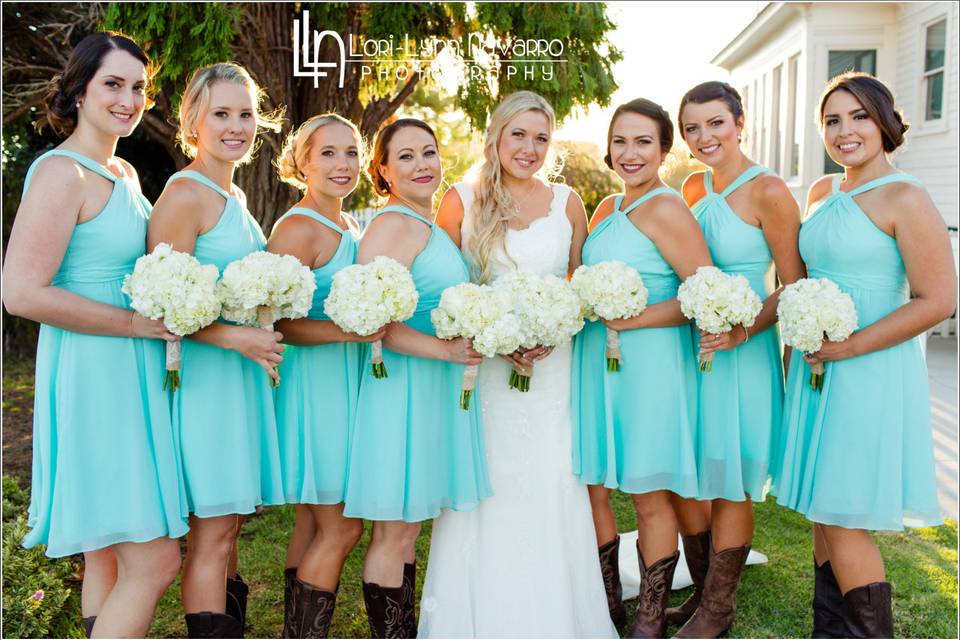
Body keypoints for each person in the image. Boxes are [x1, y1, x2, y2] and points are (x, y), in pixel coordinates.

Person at [2, 32, 187, 638]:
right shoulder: (61, 174)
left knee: (107, 552)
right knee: (155, 560)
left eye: (138, 87)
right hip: (95, 372)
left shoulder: (124, 171)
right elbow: (21, 291)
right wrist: (134, 322)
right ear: (79, 90)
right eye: (113, 83)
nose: (129, 99)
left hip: (131, 369)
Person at [418, 91, 616, 639]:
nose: (529, 148)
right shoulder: (460, 199)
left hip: (555, 370)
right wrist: (496, 338)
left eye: (541, 137)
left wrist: (557, 327)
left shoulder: (567, 202)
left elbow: (579, 284)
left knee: (553, 478)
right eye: (518, 135)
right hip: (485, 369)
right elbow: (449, 290)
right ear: (496, 136)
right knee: (489, 484)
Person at [773, 71, 956, 638]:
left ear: (884, 122)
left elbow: (939, 299)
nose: (844, 130)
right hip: (816, 368)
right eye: (832, 120)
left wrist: (848, 346)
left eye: (857, 117)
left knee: (845, 511)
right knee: (824, 510)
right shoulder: (823, 193)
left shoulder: (907, 196)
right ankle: (829, 631)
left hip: (869, 367)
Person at [147, 62, 285, 638]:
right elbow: (159, 307)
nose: (236, 126)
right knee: (212, 533)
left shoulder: (233, 194)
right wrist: (237, 336)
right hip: (206, 382)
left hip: (238, 380)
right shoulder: (186, 194)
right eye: (221, 114)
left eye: (246, 113)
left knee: (227, 533)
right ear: (193, 121)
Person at [342, 118, 492, 638]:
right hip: (402, 387)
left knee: (408, 529)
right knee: (395, 529)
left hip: (433, 385)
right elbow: (372, 321)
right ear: (382, 170)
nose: (421, 164)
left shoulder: (430, 226)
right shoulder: (393, 225)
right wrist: (446, 350)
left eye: (427, 152)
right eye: (404, 156)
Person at [572, 98, 713, 638]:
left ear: (663, 150)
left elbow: (701, 294)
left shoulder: (667, 207)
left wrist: (632, 321)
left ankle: (649, 617)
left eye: (643, 142)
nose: (630, 153)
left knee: (649, 494)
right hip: (597, 363)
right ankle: (608, 602)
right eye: (621, 141)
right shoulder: (606, 208)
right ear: (608, 147)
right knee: (596, 485)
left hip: (650, 364)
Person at [268, 113, 382, 638]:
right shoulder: (297, 227)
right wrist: (350, 334)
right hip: (316, 388)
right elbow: (278, 324)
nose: (343, 164)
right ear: (302, 161)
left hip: (345, 383)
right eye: (329, 153)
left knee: (314, 521)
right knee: (343, 526)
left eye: (352, 152)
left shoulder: (351, 224)